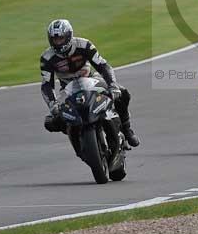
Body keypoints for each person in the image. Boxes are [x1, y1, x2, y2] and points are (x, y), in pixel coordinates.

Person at [40, 19, 140, 147]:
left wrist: (112, 85)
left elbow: (103, 66)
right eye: (55, 39)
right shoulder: (46, 57)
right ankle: (79, 138)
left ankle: (126, 129)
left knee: (123, 93)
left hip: (92, 79)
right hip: (67, 89)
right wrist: (52, 104)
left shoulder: (84, 45)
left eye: (60, 38)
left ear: (69, 36)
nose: (58, 42)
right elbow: (46, 84)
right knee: (51, 122)